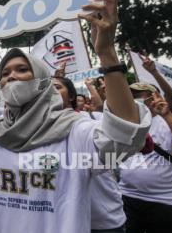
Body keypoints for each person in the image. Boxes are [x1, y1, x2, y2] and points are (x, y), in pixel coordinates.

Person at [0, 0, 152, 232]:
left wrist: (106, 52)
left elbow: (124, 137)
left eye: (21, 69)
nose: (11, 76)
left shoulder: (74, 131)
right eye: (5, 73)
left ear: (42, 81)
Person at [119, 83, 172, 233]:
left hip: (167, 201)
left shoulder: (169, 122)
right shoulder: (122, 124)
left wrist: (166, 115)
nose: (134, 99)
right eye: (131, 96)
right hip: (127, 198)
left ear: (154, 97)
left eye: (139, 95)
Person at [52, 76, 125, 232]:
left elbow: (124, 136)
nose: (50, 92)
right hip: (63, 221)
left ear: (71, 96)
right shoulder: (36, 132)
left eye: (57, 87)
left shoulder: (89, 122)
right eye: (45, 88)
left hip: (102, 220)